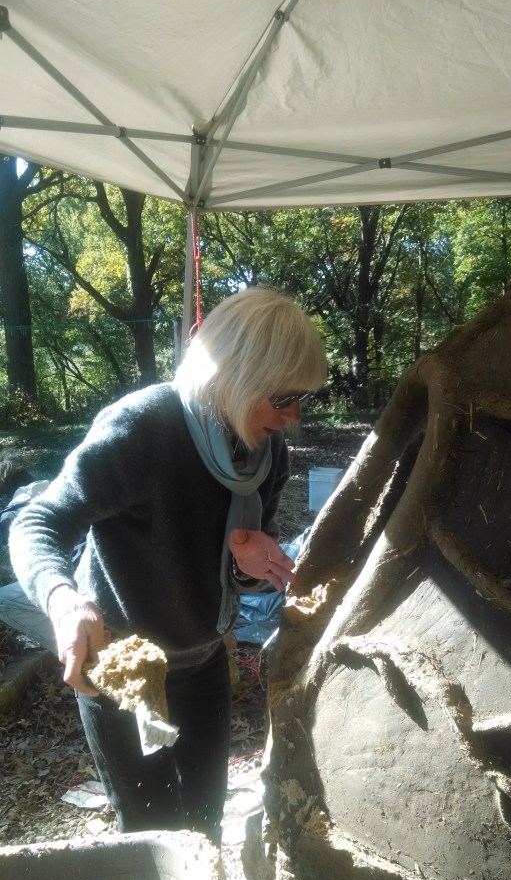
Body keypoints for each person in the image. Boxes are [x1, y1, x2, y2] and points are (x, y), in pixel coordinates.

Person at [9, 286, 327, 841]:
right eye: (283, 397)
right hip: (125, 675)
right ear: (236, 373)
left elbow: (246, 565)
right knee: (152, 832)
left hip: (204, 662)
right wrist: (64, 599)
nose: (295, 415)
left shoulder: (266, 451)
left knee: (204, 822)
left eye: (302, 397)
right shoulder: (141, 429)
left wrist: (249, 560)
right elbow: (38, 522)